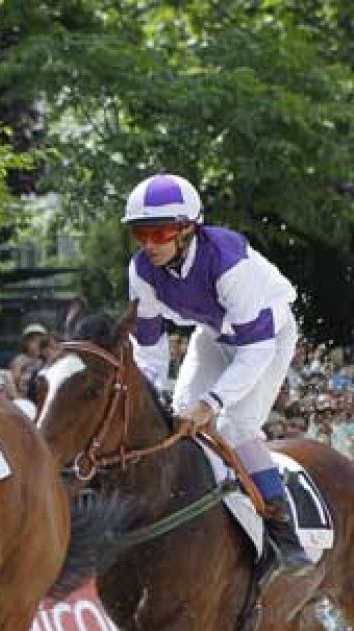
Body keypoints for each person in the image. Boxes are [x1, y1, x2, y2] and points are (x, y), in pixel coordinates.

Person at [122, 172, 311, 573]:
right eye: (142, 234)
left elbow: (255, 348)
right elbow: (150, 348)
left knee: (235, 425)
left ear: (189, 229)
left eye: (161, 232)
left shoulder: (227, 261)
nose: (150, 244)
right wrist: (147, 393)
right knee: (178, 414)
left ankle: (282, 529)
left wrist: (211, 404)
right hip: (213, 334)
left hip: (267, 339)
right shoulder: (141, 271)